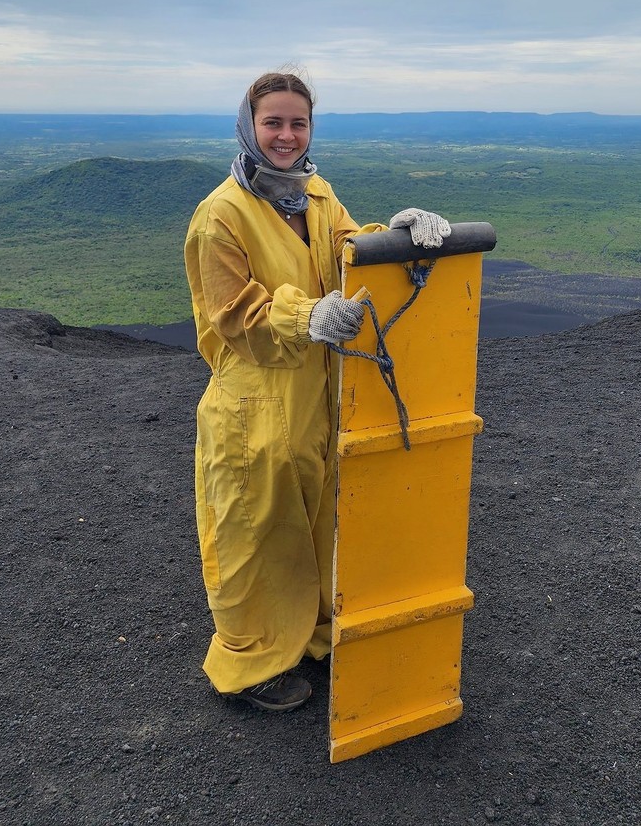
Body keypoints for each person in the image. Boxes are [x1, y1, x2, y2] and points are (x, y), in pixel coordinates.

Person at [184, 71, 451, 712]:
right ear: (250, 126)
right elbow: (234, 318)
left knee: (325, 526)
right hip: (254, 407)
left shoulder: (316, 195)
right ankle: (248, 668)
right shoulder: (220, 216)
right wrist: (306, 318)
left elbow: (346, 248)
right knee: (257, 537)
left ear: (311, 129)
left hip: (320, 402)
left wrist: (397, 235)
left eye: (297, 123)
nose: (285, 135)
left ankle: (314, 640)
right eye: (272, 122)